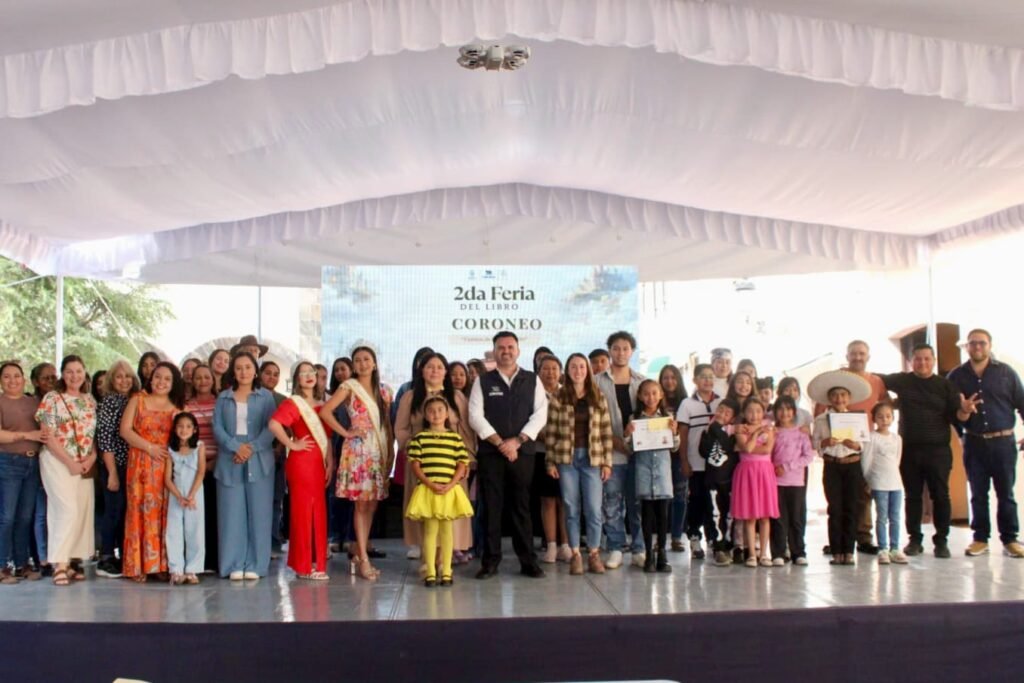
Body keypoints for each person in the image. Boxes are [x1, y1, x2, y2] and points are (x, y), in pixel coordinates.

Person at [469, 331, 548, 580]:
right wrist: (500, 442)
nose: (506, 351)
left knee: (521, 507)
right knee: (491, 508)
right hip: (491, 454)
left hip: (522, 453)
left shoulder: (532, 380)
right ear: (494, 351)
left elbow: (540, 415)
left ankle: (528, 562)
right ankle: (490, 562)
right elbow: (475, 416)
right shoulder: (483, 381)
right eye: (501, 347)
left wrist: (517, 441)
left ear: (518, 351)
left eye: (510, 347)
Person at [878, 343, 968, 559]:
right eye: (918, 358)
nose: (922, 362)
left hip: (938, 451)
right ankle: (914, 540)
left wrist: (965, 413)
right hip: (909, 450)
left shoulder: (945, 386)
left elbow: (957, 416)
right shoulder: (903, 380)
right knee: (912, 496)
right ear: (911, 361)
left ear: (933, 360)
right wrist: (887, 400)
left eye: (927, 358)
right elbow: (876, 379)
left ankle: (941, 541)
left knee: (941, 495)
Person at [394, 352, 476, 570]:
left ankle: (444, 561)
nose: (435, 371)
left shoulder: (457, 397)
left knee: (448, 514)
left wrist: (467, 460)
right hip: (421, 467)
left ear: (445, 372)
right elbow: (400, 429)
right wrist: (413, 450)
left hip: (451, 468)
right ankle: (427, 560)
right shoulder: (410, 397)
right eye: (430, 367)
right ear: (422, 371)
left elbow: (467, 432)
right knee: (424, 512)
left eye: (439, 367)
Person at [947, 328, 1024, 559]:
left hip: (1004, 443)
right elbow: (952, 414)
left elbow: (1022, 403)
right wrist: (963, 413)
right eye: (973, 343)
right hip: (974, 443)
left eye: (982, 343)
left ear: (990, 345)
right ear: (967, 347)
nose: (977, 347)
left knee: (1006, 494)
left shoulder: (1006, 373)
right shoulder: (956, 376)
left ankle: (1010, 540)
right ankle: (980, 539)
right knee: (978, 494)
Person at [320, 346, 394, 581]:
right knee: (361, 505)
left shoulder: (384, 391)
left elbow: (387, 424)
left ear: (374, 363)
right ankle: (363, 558)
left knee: (371, 505)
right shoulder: (348, 387)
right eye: (358, 360)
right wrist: (346, 432)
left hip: (378, 450)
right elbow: (325, 411)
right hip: (358, 451)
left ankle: (360, 551)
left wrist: (390, 454)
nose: (362, 364)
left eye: (366, 359)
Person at [814, 341, 891, 555]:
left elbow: (885, 405)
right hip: (835, 453)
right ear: (847, 356)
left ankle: (863, 537)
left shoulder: (876, 381)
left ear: (868, 356)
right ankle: (838, 542)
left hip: (863, 443)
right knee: (837, 503)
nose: (858, 357)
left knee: (862, 495)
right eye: (854, 354)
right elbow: (819, 416)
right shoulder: (836, 379)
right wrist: (825, 439)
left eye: (862, 354)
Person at [545, 353, 613, 575]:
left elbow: (606, 432)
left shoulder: (598, 396)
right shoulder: (559, 396)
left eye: (582, 367)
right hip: (566, 459)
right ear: (567, 370)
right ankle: (575, 553)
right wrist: (550, 462)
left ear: (588, 370)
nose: (578, 371)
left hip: (593, 459)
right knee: (571, 507)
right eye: (573, 367)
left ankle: (593, 553)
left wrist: (607, 463)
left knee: (593, 508)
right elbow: (551, 432)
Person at [213, 352, 278, 580]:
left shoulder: (266, 397)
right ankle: (232, 564)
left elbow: (272, 427)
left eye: (248, 367)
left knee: (260, 514)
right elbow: (217, 427)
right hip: (229, 459)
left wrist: (250, 448)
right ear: (233, 371)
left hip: (259, 459)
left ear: (255, 370)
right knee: (231, 514)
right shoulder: (223, 398)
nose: (243, 372)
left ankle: (256, 565)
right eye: (239, 367)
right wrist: (235, 447)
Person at [269, 362, 335, 580]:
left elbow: (327, 437)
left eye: (311, 372)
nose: (308, 376)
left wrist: (330, 461)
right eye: (303, 373)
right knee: (303, 511)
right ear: (296, 378)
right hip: (302, 462)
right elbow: (274, 424)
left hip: (319, 462)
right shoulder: (294, 403)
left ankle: (316, 562)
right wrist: (292, 444)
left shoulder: (322, 404)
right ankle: (303, 566)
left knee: (319, 510)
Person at [35, 355, 98, 586]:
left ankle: (70, 561)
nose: (74, 376)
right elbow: (47, 434)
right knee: (66, 509)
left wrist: (91, 457)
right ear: (63, 374)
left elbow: (92, 434)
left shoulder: (89, 400)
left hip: (83, 463)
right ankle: (59, 564)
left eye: (78, 371)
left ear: (84, 372)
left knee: (81, 511)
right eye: (69, 371)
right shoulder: (52, 398)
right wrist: (69, 461)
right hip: (57, 460)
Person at [120, 362, 183, 582]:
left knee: (164, 513)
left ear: (173, 383)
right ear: (151, 378)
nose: (161, 382)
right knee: (138, 511)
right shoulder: (137, 400)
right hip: (140, 462)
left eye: (167, 379)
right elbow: (125, 430)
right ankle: (137, 566)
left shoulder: (177, 407)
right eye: (157, 377)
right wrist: (149, 447)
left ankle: (160, 564)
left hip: (165, 466)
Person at [405, 396, 474, 587]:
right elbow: (415, 465)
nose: (436, 414)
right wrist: (429, 483)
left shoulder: (455, 438)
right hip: (429, 490)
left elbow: (462, 463)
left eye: (440, 410)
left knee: (447, 531)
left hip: (448, 490)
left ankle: (447, 571)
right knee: (430, 531)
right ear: (426, 415)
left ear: (447, 414)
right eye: (431, 411)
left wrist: (451, 484)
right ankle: (430, 571)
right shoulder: (420, 438)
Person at [594, 331, 646, 569]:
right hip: (610, 452)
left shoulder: (642, 381)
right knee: (612, 502)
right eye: (616, 348)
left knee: (637, 504)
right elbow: (593, 419)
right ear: (609, 351)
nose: (621, 353)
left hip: (639, 453)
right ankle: (615, 547)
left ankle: (639, 548)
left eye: (625, 348)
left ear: (632, 351)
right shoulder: (597, 381)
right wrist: (615, 441)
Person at [809, 370, 872, 566]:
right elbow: (815, 443)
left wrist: (856, 445)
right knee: (835, 509)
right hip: (832, 466)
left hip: (852, 465)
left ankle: (849, 551)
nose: (839, 399)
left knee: (852, 508)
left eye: (843, 395)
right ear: (829, 398)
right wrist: (825, 443)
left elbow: (864, 443)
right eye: (835, 395)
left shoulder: (857, 419)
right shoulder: (821, 419)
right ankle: (836, 551)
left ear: (849, 398)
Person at [626, 380, 679, 573]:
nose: (651, 397)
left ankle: (662, 554)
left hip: (662, 472)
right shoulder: (635, 418)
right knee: (646, 515)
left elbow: (674, 447)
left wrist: (674, 433)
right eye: (646, 393)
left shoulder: (667, 417)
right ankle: (649, 554)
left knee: (663, 515)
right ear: (640, 396)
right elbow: (630, 449)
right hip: (644, 471)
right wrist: (627, 434)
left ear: (661, 395)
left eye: (655, 393)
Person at [94, 360, 140, 578]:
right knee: (113, 510)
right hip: (115, 464)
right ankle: (106, 557)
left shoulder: (134, 400)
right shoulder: (109, 402)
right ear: (111, 380)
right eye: (119, 377)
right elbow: (105, 440)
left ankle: (123, 555)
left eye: (128, 376)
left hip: (132, 464)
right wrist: (112, 472)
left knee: (126, 512)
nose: (124, 381)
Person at [0, 362, 43, 583]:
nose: (12, 381)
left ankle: (21, 564)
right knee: (7, 517)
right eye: (7, 376)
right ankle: (2, 566)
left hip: (33, 463)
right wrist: (27, 435)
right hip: (9, 462)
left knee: (25, 517)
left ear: (24, 379)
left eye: (16, 376)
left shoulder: (34, 402)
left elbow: (48, 427)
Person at [391, 346, 435, 560]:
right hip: (415, 453)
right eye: (422, 362)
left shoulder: (447, 392)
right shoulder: (407, 390)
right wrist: (408, 446)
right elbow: (398, 422)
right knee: (415, 499)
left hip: (440, 456)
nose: (429, 368)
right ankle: (416, 543)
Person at [676, 363, 722, 560]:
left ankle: (713, 538)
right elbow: (683, 435)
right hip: (695, 463)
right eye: (703, 376)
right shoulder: (686, 404)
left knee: (713, 503)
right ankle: (694, 537)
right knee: (696, 500)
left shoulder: (721, 402)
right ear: (695, 380)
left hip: (717, 464)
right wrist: (684, 461)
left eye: (711, 376)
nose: (707, 380)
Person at [769, 396, 815, 566]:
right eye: (780, 409)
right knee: (778, 518)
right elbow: (767, 454)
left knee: (796, 518)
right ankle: (778, 553)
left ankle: (799, 552)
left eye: (788, 409)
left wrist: (787, 467)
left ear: (794, 412)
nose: (785, 413)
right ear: (775, 412)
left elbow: (808, 456)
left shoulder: (801, 433)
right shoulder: (772, 432)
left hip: (796, 482)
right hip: (776, 482)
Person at [733, 398, 778, 568]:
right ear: (744, 413)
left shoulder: (769, 429)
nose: (754, 415)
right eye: (750, 411)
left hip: (765, 472)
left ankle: (764, 554)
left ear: (763, 412)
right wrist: (756, 434)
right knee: (750, 516)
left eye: (758, 411)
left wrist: (751, 442)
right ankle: (751, 554)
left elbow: (767, 449)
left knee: (765, 516)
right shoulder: (740, 429)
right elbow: (747, 448)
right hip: (747, 472)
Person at [861, 402, 907, 565]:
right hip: (879, 483)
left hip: (896, 483)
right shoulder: (871, 438)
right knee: (882, 517)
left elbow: (897, 460)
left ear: (893, 418)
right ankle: (883, 549)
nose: (884, 420)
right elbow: (866, 461)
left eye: (888, 416)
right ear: (874, 419)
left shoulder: (897, 438)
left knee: (895, 517)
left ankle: (895, 548)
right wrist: (868, 480)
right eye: (880, 417)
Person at [535, 354, 570, 564]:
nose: (550, 373)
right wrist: (546, 438)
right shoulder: (533, 394)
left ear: (560, 372)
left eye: (554, 368)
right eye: (545, 369)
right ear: (539, 372)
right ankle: (551, 545)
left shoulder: (568, 393)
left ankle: (565, 545)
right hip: (542, 452)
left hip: (565, 454)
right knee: (547, 499)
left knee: (565, 499)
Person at [164, 412, 206, 585]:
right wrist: (179, 496)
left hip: (194, 493)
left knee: (195, 530)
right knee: (173, 530)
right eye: (180, 426)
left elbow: (201, 471)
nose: (184, 430)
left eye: (188, 426)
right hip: (176, 494)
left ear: (194, 429)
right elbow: (167, 478)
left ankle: (192, 569)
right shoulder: (170, 449)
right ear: (175, 429)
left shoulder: (199, 447)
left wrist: (191, 495)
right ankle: (176, 569)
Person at [185, 364, 219, 572]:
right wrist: (197, 465)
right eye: (198, 377)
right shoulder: (186, 406)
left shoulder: (221, 403)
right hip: (192, 468)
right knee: (195, 516)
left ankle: (214, 560)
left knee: (214, 514)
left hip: (217, 465)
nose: (203, 381)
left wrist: (213, 463)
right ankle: (197, 561)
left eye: (207, 377)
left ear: (213, 380)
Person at [699, 398, 740, 565]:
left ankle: (730, 545)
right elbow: (703, 451)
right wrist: (713, 429)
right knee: (714, 514)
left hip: (730, 481)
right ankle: (719, 548)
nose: (722, 414)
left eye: (727, 413)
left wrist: (716, 427)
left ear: (733, 418)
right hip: (712, 481)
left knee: (729, 514)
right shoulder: (707, 431)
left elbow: (728, 446)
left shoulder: (733, 433)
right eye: (720, 410)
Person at [29, 362, 57, 574]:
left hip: (57, 461)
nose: (50, 381)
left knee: (55, 510)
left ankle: (58, 556)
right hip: (37, 459)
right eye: (46, 378)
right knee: (40, 512)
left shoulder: (58, 399)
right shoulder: (34, 403)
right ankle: (43, 558)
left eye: (53, 377)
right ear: (36, 381)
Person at [658, 364, 689, 552]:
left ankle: (676, 536)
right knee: (661, 498)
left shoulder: (686, 402)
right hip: (659, 456)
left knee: (680, 496)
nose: (669, 381)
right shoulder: (655, 401)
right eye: (665, 378)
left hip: (679, 456)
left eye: (673, 377)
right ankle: (660, 538)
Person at [259, 360, 287, 558]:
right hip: (257, 454)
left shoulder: (282, 400)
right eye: (268, 373)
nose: (271, 377)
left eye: (276, 374)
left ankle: (273, 542)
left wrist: (279, 447)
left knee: (276, 501)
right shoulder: (253, 396)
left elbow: (288, 429)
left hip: (277, 456)